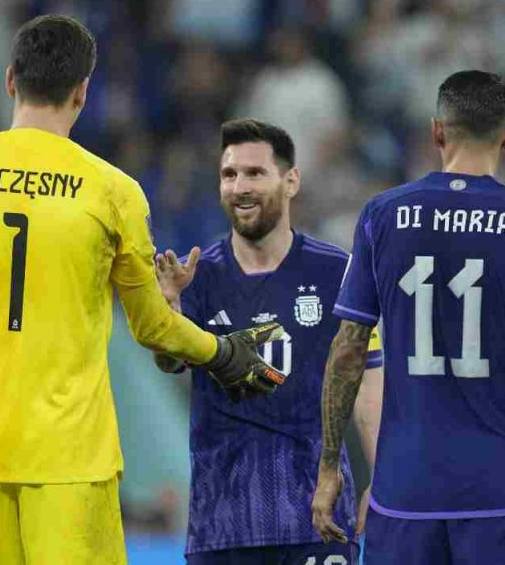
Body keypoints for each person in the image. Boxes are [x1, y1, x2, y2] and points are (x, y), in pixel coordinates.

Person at [0, 14, 283, 565]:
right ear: (82, 92)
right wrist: (225, 352)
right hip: (70, 459)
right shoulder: (114, 191)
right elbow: (153, 329)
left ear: (9, 81)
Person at [311, 71, 505, 564]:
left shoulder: (381, 215)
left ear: (437, 131)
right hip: (503, 488)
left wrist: (330, 467)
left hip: (405, 488)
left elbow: (348, 348)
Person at [153, 119, 383, 565]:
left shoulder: (340, 273)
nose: (240, 186)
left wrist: (383, 476)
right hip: (222, 523)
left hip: (317, 517)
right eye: (229, 174)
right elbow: (169, 365)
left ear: (290, 180)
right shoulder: (195, 278)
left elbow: (369, 383)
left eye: (255, 173)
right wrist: (170, 314)